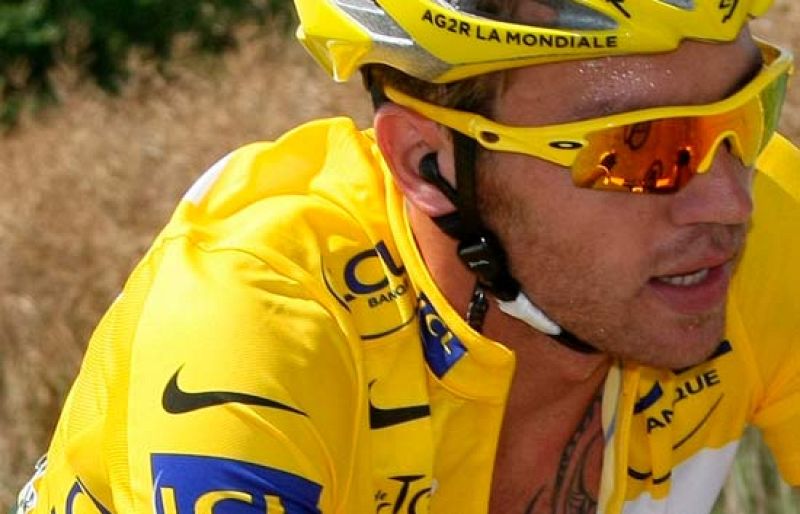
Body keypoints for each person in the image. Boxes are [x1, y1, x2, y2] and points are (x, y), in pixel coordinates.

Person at [14, 0, 800, 513]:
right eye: (642, 148)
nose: (728, 202)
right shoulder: (256, 323)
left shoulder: (765, 235)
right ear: (428, 163)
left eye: (747, 114)